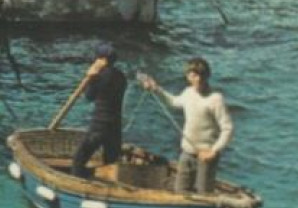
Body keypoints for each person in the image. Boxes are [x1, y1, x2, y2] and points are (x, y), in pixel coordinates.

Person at [138, 57, 233, 193]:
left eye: (201, 75)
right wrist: (156, 89)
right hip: (187, 153)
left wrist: (214, 151)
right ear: (188, 76)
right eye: (193, 75)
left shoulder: (216, 99)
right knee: (180, 190)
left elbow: (227, 128)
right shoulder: (188, 93)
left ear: (207, 76)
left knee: (203, 194)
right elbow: (173, 102)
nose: (198, 79)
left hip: (206, 156)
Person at [70, 42, 128, 178]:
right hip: (116, 125)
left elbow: (89, 96)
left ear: (102, 59)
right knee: (111, 161)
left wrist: (90, 76)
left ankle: (76, 181)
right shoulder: (121, 76)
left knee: (79, 157)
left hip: (100, 124)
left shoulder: (100, 76)